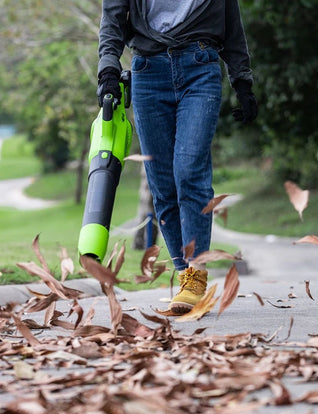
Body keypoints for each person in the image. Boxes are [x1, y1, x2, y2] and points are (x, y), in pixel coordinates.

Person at [97, 0, 258, 314]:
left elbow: (232, 24)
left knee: (189, 170)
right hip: (147, 73)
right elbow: (113, 19)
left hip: (200, 68)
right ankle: (185, 274)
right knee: (163, 184)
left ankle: (196, 274)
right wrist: (108, 69)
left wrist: (242, 80)